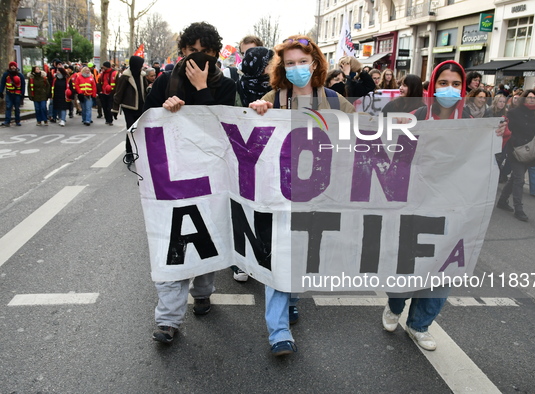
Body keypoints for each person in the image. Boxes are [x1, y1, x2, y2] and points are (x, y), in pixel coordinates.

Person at [249, 34, 355, 356]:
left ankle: (293, 299)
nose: (297, 68)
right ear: (283, 67)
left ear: (315, 64)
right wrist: (255, 113)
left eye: (302, 62)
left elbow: (368, 137)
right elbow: (248, 141)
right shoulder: (272, 99)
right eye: (290, 63)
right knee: (279, 257)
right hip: (280, 196)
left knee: (304, 256)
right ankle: (279, 331)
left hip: (320, 197)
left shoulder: (337, 103)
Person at [143, 21, 236, 345]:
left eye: (203, 52)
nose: (195, 57)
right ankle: (168, 320)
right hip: (170, 184)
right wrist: (163, 110)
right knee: (173, 248)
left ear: (214, 54)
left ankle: (203, 292)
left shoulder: (224, 87)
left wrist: (200, 90)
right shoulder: (165, 82)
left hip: (210, 182)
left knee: (205, 239)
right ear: (181, 52)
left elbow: (223, 131)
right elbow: (144, 125)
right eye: (190, 51)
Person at [381, 61, 475, 351]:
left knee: (444, 271)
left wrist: (500, 136)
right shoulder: (416, 117)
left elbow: (484, 160)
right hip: (416, 206)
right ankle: (395, 305)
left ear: (464, 88)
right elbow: (396, 161)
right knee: (407, 266)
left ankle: (419, 325)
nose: (450, 89)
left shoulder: (472, 120)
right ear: (433, 86)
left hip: (454, 208)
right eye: (444, 83)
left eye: (456, 84)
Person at [496, 90, 535, 221]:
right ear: (524, 99)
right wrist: (515, 142)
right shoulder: (514, 113)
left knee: (515, 178)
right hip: (516, 150)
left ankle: (502, 200)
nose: (531, 100)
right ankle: (519, 208)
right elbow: (508, 130)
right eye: (529, 98)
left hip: (531, 151)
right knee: (519, 179)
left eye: (534, 98)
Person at [113, 55, 148, 164]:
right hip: (129, 107)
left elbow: (146, 91)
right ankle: (129, 153)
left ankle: (139, 152)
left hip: (141, 108)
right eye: (140, 64)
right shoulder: (125, 77)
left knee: (140, 131)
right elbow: (118, 93)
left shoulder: (142, 76)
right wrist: (115, 109)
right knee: (131, 130)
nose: (141, 66)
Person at [0, 61, 26, 127]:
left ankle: (17, 121)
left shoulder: (20, 75)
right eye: (12, 66)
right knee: (8, 107)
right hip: (9, 93)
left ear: (16, 66)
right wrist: (1, 92)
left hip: (17, 94)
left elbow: (23, 85)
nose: (13, 67)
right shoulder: (6, 74)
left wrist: (22, 94)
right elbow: (2, 83)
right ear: (10, 67)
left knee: (17, 108)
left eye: (14, 66)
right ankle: (7, 121)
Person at [98, 62, 118, 126]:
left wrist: (114, 91)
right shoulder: (102, 74)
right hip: (103, 93)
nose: (102, 68)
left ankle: (110, 120)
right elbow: (100, 82)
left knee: (109, 107)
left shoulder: (114, 73)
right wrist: (100, 91)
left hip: (111, 93)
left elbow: (117, 83)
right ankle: (107, 119)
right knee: (104, 106)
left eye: (103, 66)